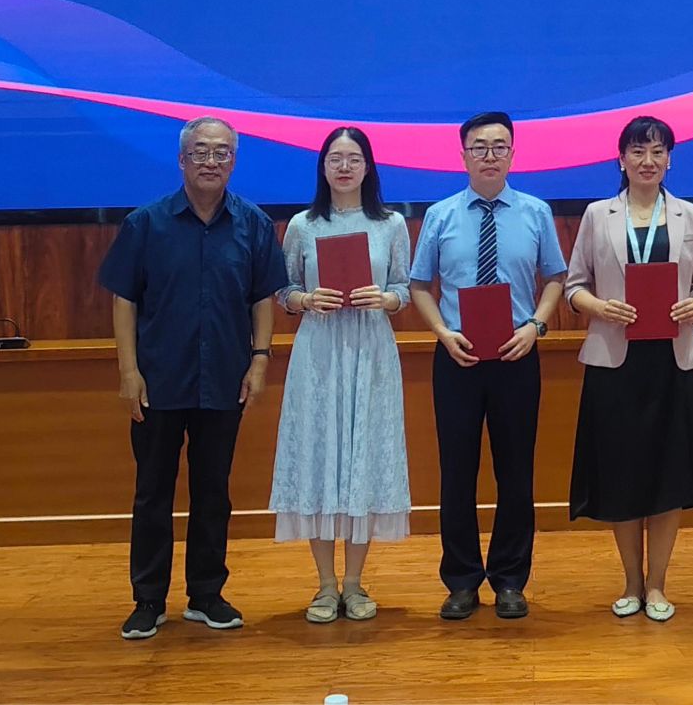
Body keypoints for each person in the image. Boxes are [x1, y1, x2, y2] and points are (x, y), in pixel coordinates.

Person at [99, 115, 282, 640]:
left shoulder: (252, 223)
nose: (211, 161)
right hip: (158, 379)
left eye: (221, 153)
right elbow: (124, 300)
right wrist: (128, 371)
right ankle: (148, 599)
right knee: (152, 492)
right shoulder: (146, 223)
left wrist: (260, 360)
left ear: (234, 162)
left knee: (213, 492)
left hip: (224, 377)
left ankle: (206, 594)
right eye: (200, 152)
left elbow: (262, 298)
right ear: (182, 160)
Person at [408, 112, 567, 621]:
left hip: (516, 354)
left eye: (500, 146)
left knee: (515, 471)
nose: (490, 156)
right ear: (463, 156)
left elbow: (555, 278)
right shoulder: (440, 215)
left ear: (513, 154)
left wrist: (536, 325)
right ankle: (460, 580)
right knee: (457, 471)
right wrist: (442, 332)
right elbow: (419, 285)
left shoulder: (536, 212)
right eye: (480, 147)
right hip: (458, 356)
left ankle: (510, 579)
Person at [565, 115, 693, 622]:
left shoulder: (690, 216)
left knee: (669, 474)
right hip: (616, 361)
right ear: (621, 159)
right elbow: (574, 285)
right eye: (638, 151)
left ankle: (657, 585)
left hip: (673, 360)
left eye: (657, 151)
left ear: (670, 159)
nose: (648, 161)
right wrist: (600, 307)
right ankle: (631, 582)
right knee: (623, 474)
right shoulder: (597, 214)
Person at [267, 126, 412, 624]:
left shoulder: (391, 223)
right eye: (335, 158)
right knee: (321, 457)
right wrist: (306, 299)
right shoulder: (304, 225)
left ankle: (354, 583)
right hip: (320, 351)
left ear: (368, 167)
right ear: (323, 167)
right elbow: (283, 290)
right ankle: (325, 585)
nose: (344, 166)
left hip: (370, 349)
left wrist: (386, 298)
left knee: (361, 460)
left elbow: (403, 288)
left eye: (353, 158)